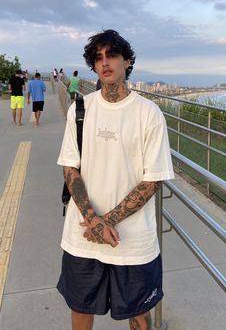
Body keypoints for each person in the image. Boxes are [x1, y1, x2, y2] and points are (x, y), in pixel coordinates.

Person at [57, 29, 174, 330]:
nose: (105, 62)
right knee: (81, 310)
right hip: (83, 239)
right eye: (98, 58)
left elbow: (152, 181)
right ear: (93, 66)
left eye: (112, 55)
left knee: (139, 314)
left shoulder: (149, 114)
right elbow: (70, 169)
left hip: (134, 242)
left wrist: (104, 221)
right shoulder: (80, 109)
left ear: (128, 61)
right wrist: (94, 221)